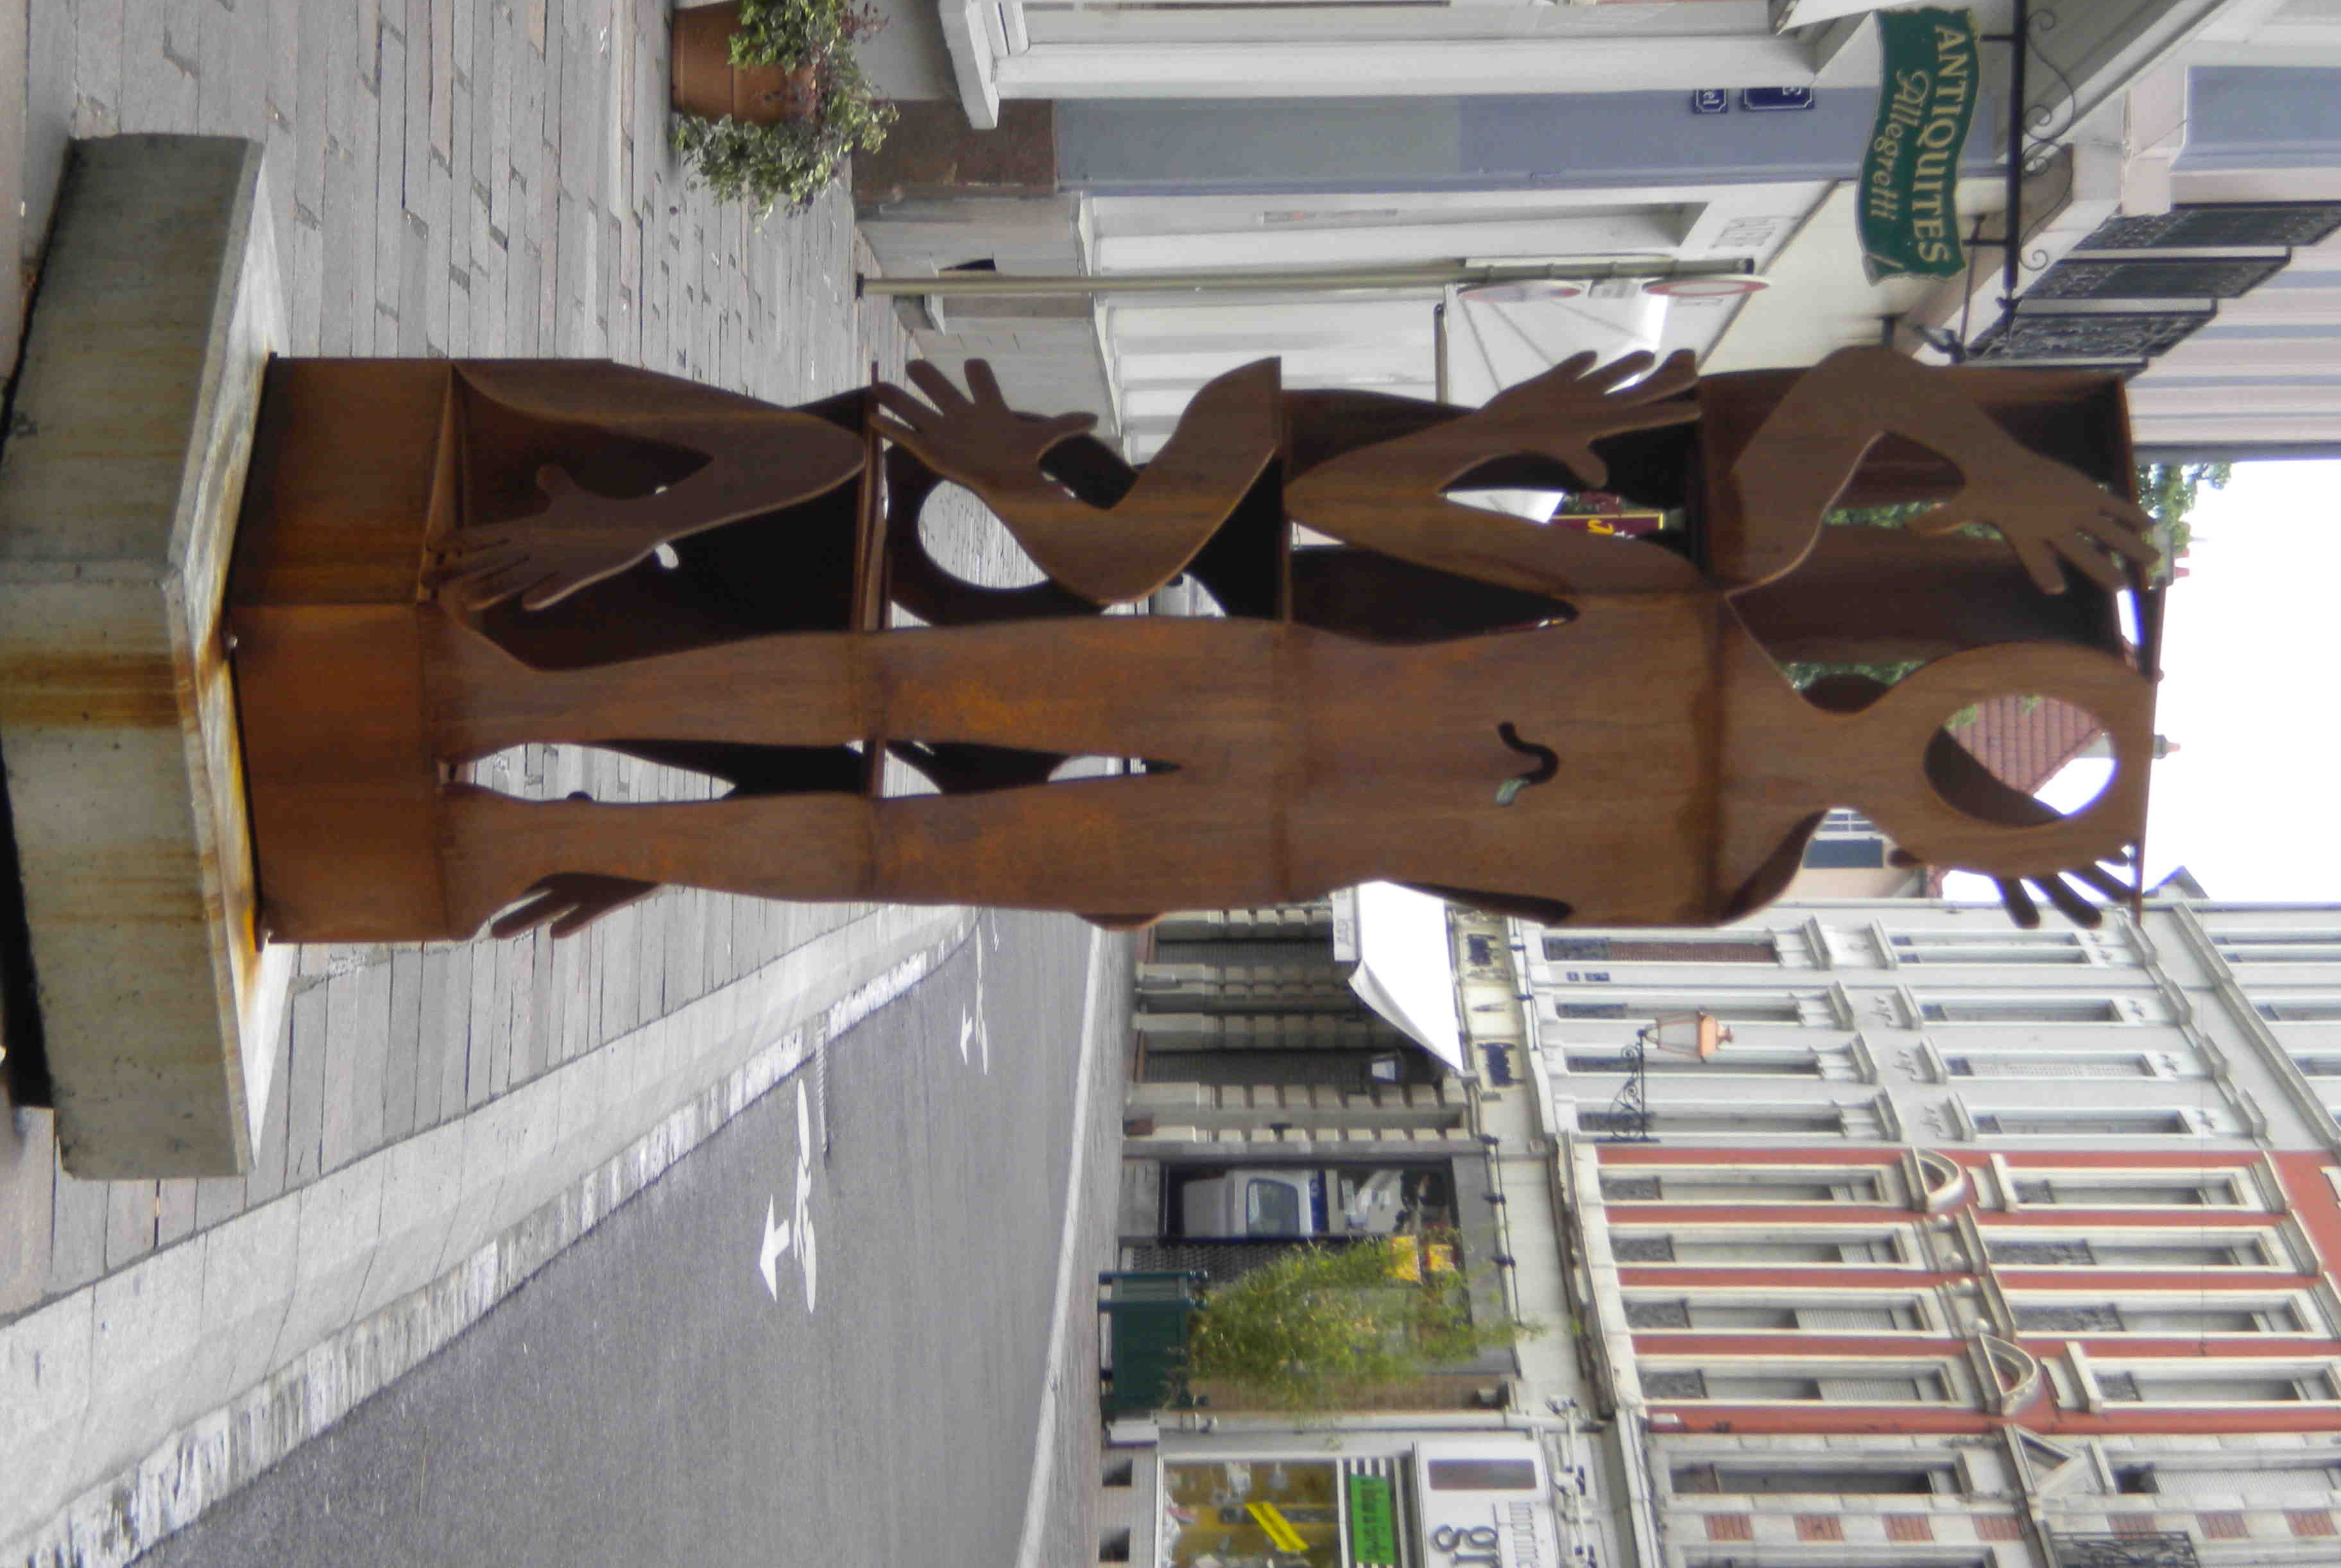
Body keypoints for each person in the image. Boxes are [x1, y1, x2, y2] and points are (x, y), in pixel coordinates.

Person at [428, 348, 2158, 939]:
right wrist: (1507, 442)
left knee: (936, 811)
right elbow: (1364, 494)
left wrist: (673, 845)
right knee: (942, 650)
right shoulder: (1686, 580)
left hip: (1258, 776)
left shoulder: (1713, 862)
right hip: (1260, 603)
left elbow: (1437, 869)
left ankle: (549, 765)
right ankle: (523, 692)